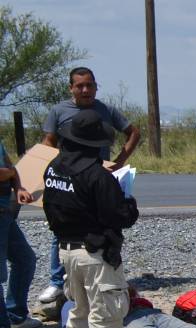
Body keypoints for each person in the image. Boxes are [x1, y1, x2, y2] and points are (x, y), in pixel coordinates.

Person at [43, 108, 140, 328]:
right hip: (95, 254)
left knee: (79, 306)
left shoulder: (54, 168)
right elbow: (120, 217)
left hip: (66, 251)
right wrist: (128, 202)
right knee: (107, 312)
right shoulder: (97, 176)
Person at [37, 67, 141, 305]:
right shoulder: (59, 111)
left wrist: (119, 162)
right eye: (80, 86)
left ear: (96, 86)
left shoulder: (106, 110)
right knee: (65, 226)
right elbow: (48, 141)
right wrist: (56, 168)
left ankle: (103, 272)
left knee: (102, 224)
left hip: (98, 176)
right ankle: (57, 282)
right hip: (71, 176)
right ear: (71, 88)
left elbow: (133, 132)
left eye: (90, 85)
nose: (85, 90)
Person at [0, 141, 37, 328]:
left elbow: (11, 168)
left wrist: (19, 187)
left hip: (5, 212)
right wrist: (10, 172)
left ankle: (16, 316)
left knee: (25, 259)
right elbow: (8, 171)